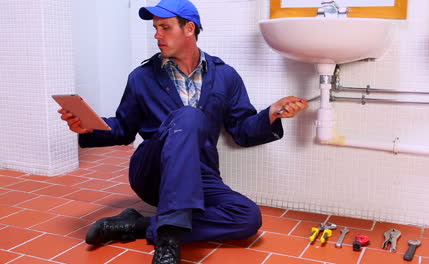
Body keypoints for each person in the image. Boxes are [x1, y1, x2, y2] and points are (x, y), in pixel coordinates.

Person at [58, 0, 308, 263]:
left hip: (201, 175)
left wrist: (271, 114)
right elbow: (124, 128)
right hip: (153, 171)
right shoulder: (141, 77)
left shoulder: (226, 76)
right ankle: (167, 240)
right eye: (156, 28)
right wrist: (89, 127)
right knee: (188, 115)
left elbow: (242, 130)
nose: (157, 35)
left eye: (165, 27)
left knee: (247, 217)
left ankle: (138, 225)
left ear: (189, 28)